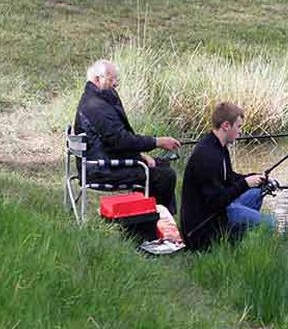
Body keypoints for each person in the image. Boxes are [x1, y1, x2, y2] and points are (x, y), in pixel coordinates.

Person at [74, 59, 181, 212]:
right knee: (165, 176)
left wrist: (139, 155)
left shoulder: (96, 99)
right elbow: (120, 140)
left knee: (162, 165)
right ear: (98, 79)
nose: (116, 83)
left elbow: (113, 141)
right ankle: (154, 222)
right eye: (112, 79)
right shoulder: (96, 106)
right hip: (100, 169)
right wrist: (157, 142)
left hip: (101, 160)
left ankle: (145, 216)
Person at [180, 101, 275, 248]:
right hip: (202, 228)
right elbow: (216, 201)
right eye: (238, 126)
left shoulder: (219, 146)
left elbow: (229, 178)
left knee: (258, 191)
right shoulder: (208, 156)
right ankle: (225, 241)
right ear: (226, 125)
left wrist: (258, 178)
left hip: (217, 212)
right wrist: (245, 184)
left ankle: (234, 239)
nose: (240, 131)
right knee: (270, 223)